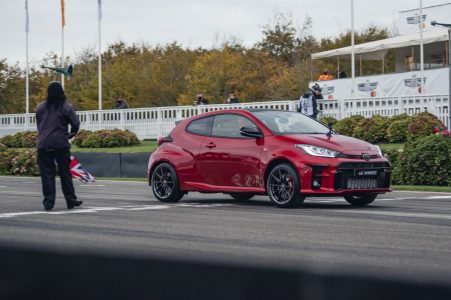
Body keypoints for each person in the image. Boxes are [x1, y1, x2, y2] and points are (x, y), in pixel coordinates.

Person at [35, 81, 83, 211]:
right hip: (60, 144)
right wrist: (70, 134)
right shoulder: (66, 107)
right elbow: (76, 124)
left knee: (47, 175)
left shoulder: (40, 107)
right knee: (65, 173)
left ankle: (48, 202)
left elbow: (39, 124)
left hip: (43, 144)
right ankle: (71, 200)